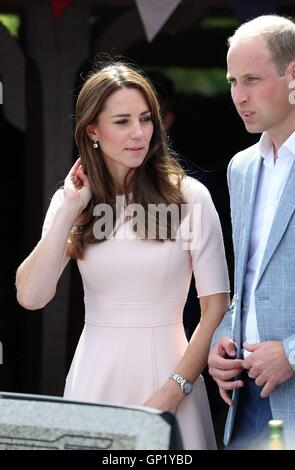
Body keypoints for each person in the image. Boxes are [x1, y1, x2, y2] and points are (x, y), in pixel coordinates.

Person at [16, 60, 230, 450]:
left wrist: (174, 390)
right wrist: (68, 209)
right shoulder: (72, 203)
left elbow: (216, 306)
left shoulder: (189, 197)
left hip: (172, 377)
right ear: (93, 130)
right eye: (122, 121)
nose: (139, 134)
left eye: (146, 119)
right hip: (94, 376)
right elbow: (31, 296)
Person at [208, 15, 295, 450]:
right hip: (247, 399)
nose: (238, 96)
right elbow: (250, 281)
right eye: (232, 81)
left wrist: (293, 354)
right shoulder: (240, 168)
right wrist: (222, 340)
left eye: (252, 79)